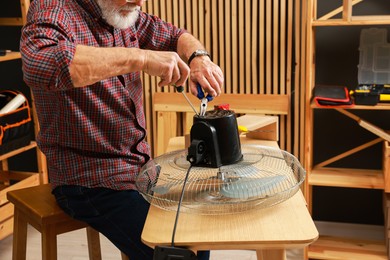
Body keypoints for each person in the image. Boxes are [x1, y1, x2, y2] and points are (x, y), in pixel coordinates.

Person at [20, 0, 224, 259]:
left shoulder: (123, 13)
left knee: (196, 232)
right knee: (181, 254)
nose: (138, 2)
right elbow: (39, 65)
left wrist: (199, 58)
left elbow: (176, 36)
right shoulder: (54, 8)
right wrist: (141, 57)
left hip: (139, 169)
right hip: (89, 181)